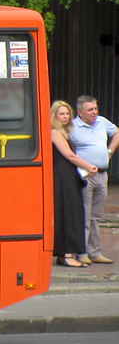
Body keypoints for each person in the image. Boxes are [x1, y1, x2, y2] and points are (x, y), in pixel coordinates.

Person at [69, 95, 118, 264]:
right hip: (85, 176)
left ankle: (95, 252)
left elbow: (117, 132)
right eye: (90, 110)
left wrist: (109, 151)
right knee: (84, 214)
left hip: (102, 175)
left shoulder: (102, 122)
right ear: (80, 112)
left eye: (96, 108)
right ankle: (81, 252)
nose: (94, 112)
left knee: (95, 216)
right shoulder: (73, 127)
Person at [51, 101, 94, 267]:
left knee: (72, 212)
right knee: (67, 213)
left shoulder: (65, 132)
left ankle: (65, 254)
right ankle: (67, 254)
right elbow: (69, 155)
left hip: (69, 175)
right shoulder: (55, 132)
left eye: (67, 114)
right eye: (62, 114)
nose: (65, 117)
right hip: (62, 177)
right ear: (54, 115)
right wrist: (89, 166)